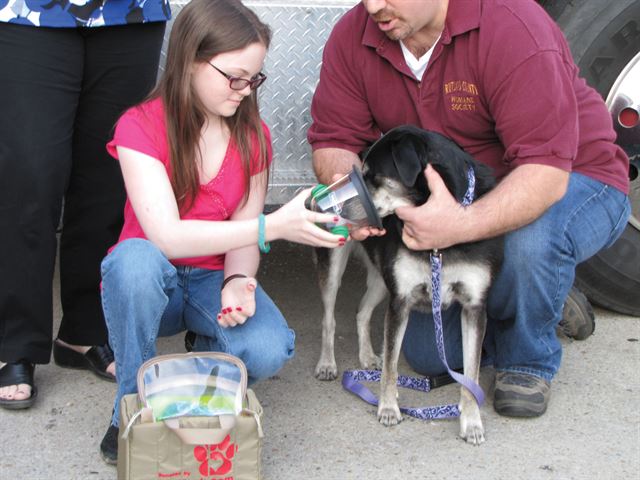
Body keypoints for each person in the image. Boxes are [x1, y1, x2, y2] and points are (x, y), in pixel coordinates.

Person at [308, 0, 631, 419]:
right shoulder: (355, 34)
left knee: (527, 246)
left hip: (573, 177)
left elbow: (545, 174)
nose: (373, 7)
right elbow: (334, 139)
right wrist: (356, 209)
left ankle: (527, 359)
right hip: (461, 190)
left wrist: (458, 226)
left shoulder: (513, 27)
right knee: (427, 354)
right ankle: (532, 292)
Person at [98, 0, 345, 464]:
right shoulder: (140, 126)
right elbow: (167, 237)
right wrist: (276, 225)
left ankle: (189, 374)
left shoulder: (253, 134)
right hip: (155, 280)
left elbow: (243, 231)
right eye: (235, 77)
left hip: (211, 281)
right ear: (190, 61)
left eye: (255, 78)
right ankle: (128, 407)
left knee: (269, 349)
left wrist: (237, 282)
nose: (246, 91)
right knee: (131, 263)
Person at [0, 0, 170, 409]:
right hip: (28, 11)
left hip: (131, 12)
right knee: (30, 174)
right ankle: (16, 342)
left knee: (109, 174)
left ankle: (84, 332)